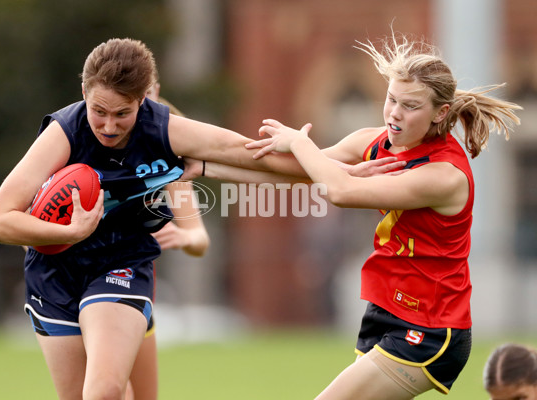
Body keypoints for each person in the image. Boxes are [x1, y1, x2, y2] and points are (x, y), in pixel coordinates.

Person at [0, 37, 406, 399]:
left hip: (120, 264)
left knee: (105, 392)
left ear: (144, 100)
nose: (109, 126)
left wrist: (340, 170)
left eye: (122, 114)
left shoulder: (165, 130)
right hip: (54, 272)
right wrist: (69, 230)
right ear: (84, 92)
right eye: (99, 111)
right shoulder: (64, 133)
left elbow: (249, 155)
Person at [190, 31, 522, 399]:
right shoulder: (375, 141)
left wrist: (300, 142)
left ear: (440, 113)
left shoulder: (444, 175)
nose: (394, 114)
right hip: (385, 311)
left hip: (429, 329)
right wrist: (203, 166)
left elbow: (340, 191)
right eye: (391, 99)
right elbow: (296, 170)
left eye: (410, 106)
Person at [128, 78, 211, 400]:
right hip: (73, 289)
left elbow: (199, 239)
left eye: (145, 96)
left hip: (134, 288)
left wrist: (183, 236)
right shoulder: (76, 140)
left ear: (157, 91)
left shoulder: (164, 157)